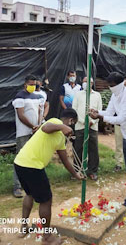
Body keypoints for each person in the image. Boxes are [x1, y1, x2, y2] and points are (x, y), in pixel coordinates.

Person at [14, 108, 83, 245]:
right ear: (70, 120)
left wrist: (75, 174)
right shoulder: (55, 122)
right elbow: (46, 127)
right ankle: (47, 237)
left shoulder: (60, 138)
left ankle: (24, 227)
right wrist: (63, 126)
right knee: (46, 200)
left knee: (30, 194)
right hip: (33, 166)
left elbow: (64, 159)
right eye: (72, 124)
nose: (71, 127)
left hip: (20, 163)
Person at [90, 72, 126, 224]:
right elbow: (110, 113)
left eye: (112, 85)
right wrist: (98, 113)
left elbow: (121, 118)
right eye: (109, 86)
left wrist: (101, 117)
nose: (110, 88)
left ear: (121, 83)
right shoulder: (115, 95)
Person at [12, 74, 45, 198]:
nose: (32, 86)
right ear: (25, 84)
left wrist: (39, 125)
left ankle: (31, 184)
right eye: (30, 84)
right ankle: (17, 186)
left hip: (35, 133)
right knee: (20, 159)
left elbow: (40, 112)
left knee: (34, 158)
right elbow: (21, 115)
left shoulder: (38, 97)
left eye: (34, 84)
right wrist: (33, 127)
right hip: (23, 133)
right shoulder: (19, 97)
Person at [72, 76, 102, 181]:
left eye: (89, 82)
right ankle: (77, 171)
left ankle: (92, 171)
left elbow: (99, 111)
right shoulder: (78, 95)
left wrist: (92, 122)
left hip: (93, 126)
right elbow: (74, 110)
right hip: (80, 125)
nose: (86, 83)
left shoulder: (97, 95)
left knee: (93, 149)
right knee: (78, 148)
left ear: (92, 83)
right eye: (84, 81)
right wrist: (83, 121)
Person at [114, 78, 126, 172]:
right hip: (119, 124)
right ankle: (119, 164)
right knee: (119, 144)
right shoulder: (116, 96)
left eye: (125, 84)